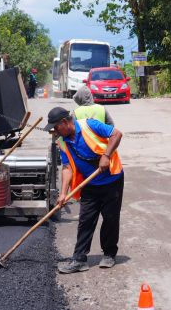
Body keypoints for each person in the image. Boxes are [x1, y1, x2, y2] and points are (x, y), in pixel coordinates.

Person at [47, 105, 124, 273]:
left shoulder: (90, 125)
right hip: (89, 185)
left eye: (55, 127)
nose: (55, 131)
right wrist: (63, 194)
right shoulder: (63, 142)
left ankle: (109, 254)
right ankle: (79, 259)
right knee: (85, 221)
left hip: (111, 180)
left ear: (64, 122)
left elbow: (116, 134)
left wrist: (106, 155)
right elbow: (67, 167)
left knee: (110, 219)